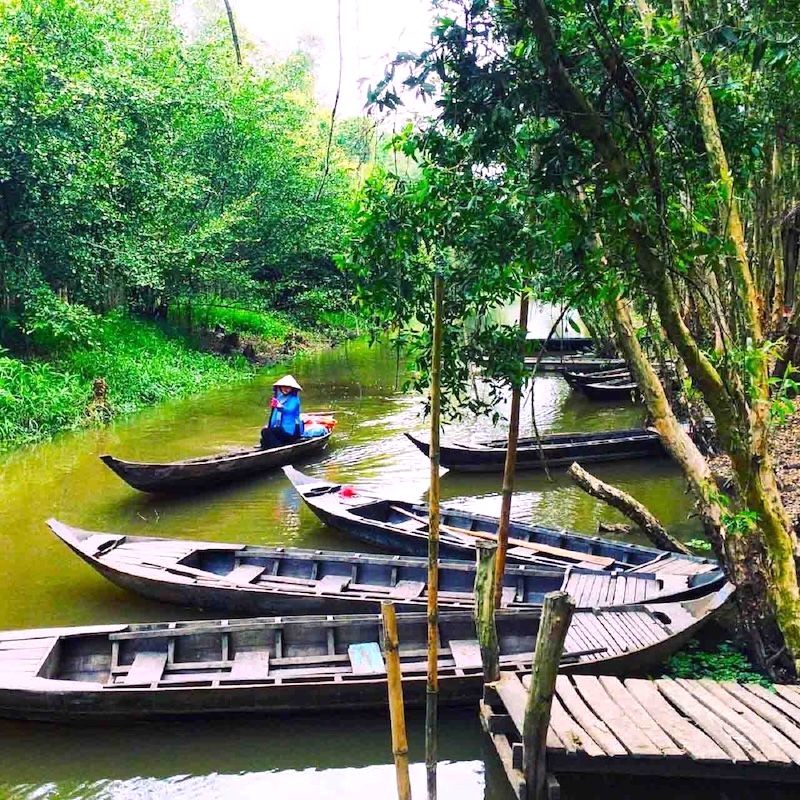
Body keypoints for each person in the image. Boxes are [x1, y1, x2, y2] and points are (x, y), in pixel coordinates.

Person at [260, 375, 304, 448]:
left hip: (292, 431)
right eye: (283, 386)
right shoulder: (280, 398)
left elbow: (289, 410)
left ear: (292, 388)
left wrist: (280, 407)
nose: (285, 389)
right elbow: (274, 415)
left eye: (288, 387)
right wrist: (269, 426)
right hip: (281, 430)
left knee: (266, 432)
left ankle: (278, 448)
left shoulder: (294, 399)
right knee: (264, 437)